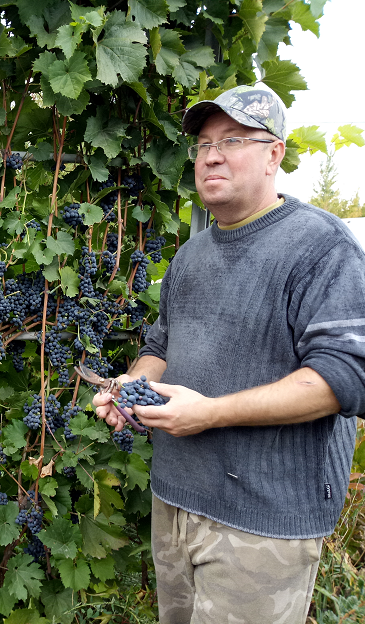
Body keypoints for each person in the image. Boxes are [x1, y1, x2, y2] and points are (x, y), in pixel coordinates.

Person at [92, 85, 365, 623]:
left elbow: (345, 378)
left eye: (234, 139)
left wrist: (209, 413)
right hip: (173, 503)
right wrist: (132, 385)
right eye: (203, 143)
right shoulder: (192, 256)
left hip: (261, 523)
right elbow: (160, 346)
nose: (212, 154)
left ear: (274, 154)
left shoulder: (321, 247)